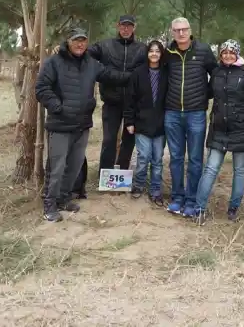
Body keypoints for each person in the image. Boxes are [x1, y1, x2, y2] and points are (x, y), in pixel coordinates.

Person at [35, 28, 132, 222]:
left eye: (83, 41)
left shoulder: (91, 64)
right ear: (68, 42)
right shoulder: (54, 62)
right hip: (60, 124)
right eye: (76, 40)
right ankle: (49, 204)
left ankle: (63, 198)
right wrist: (58, 107)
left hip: (82, 124)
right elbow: (41, 88)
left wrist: (137, 74)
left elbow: (111, 76)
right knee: (56, 167)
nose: (80, 44)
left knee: (75, 164)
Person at [193, 39, 244, 224]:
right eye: (224, 52)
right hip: (219, 129)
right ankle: (199, 209)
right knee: (210, 168)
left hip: (242, 129)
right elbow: (207, 93)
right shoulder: (216, 72)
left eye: (231, 52)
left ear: (237, 54)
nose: (228, 55)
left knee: (240, 170)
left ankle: (233, 208)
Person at [162, 16, 217, 217]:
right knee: (176, 158)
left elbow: (216, 74)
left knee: (195, 158)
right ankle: (177, 198)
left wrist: (205, 94)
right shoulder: (168, 53)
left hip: (196, 113)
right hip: (172, 113)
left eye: (184, 29)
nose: (181, 33)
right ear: (172, 32)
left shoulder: (203, 50)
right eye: (177, 30)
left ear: (190, 30)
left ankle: (192, 200)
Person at [88, 14, 147, 175]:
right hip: (111, 102)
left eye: (129, 26)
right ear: (118, 26)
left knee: (129, 140)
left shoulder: (142, 49)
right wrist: (64, 47)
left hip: (133, 104)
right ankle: (105, 176)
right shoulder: (105, 45)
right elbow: (83, 51)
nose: (126, 29)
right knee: (109, 140)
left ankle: (122, 175)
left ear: (134, 27)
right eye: (123, 25)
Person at [124, 39, 168, 205]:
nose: (154, 54)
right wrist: (129, 121)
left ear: (161, 54)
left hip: (161, 124)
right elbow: (130, 99)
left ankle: (156, 190)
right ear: (147, 53)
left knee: (157, 159)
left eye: (157, 51)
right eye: (151, 51)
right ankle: (138, 185)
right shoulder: (138, 73)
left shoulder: (166, 73)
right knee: (143, 157)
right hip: (142, 122)